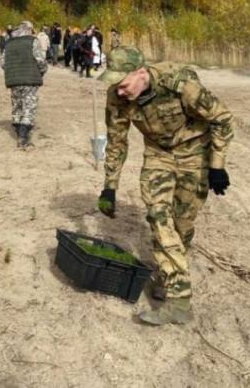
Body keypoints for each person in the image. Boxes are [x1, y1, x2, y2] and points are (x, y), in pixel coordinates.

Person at [97, 47, 234, 325]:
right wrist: (110, 186)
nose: (119, 91)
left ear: (140, 72)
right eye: (115, 84)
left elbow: (222, 118)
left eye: (123, 84)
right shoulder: (118, 97)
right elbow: (116, 141)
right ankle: (179, 301)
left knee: (182, 226)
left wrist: (217, 165)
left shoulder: (180, 85)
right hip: (158, 154)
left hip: (195, 153)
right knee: (159, 217)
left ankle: (167, 275)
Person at [1, 21, 48, 148]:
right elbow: (41, 60)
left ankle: (18, 130)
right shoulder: (33, 41)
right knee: (29, 107)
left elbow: (3, 63)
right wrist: (42, 72)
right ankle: (23, 138)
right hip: (29, 80)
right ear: (29, 29)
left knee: (17, 106)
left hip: (13, 81)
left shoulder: (9, 43)